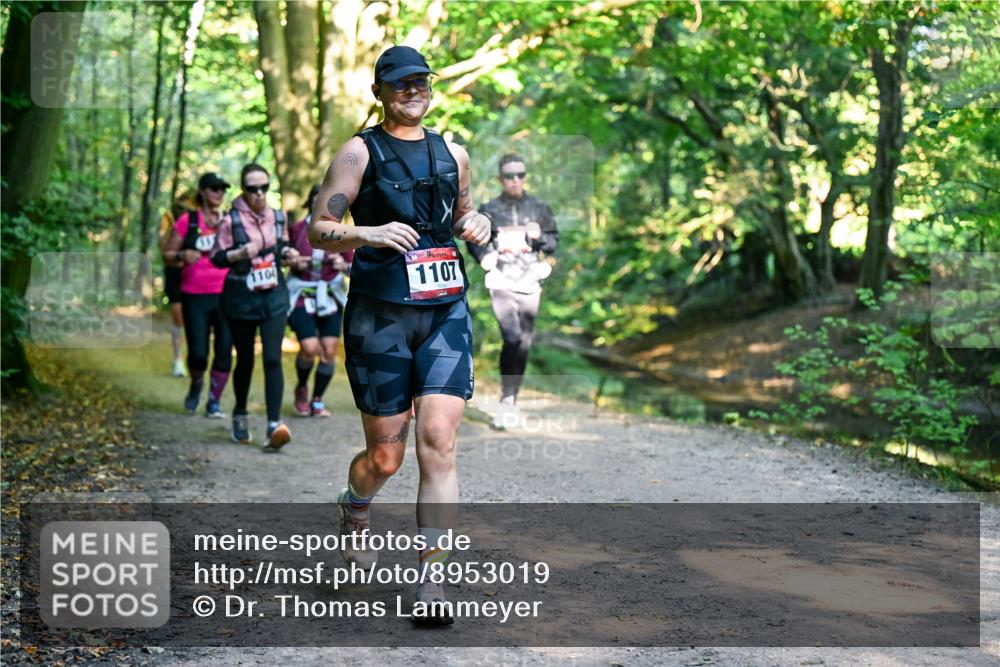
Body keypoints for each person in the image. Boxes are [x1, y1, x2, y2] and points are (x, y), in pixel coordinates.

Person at [308, 45, 490, 625]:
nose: (414, 90)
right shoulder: (360, 152)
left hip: (443, 311)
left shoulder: (452, 152)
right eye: (401, 83)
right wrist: (369, 232)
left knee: (438, 441)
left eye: (421, 82)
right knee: (385, 457)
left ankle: (432, 582)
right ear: (381, 92)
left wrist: (476, 223)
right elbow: (318, 229)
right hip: (380, 314)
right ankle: (355, 504)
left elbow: (461, 214)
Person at [211, 164, 300, 450]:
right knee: (246, 359)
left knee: (273, 358)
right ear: (243, 190)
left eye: (264, 187)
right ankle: (240, 412)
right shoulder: (231, 220)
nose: (259, 193)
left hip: (273, 294)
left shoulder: (278, 217)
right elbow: (216, 258)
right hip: (241, 296)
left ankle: (274, 424)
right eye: (253, 188)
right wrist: (238, 252)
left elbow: (282, 245)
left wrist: (288, 253)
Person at [466, 153, 558, 429]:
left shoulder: (539, 208)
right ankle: (506, 401)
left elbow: (553, 243)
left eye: (520, 174)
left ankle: (510, 401)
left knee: (525, 343)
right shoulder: (489, 209)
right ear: (500, 179)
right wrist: (484, 256)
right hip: (502, 280)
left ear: (526, 177)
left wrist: (539, 236)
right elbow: (474, 239)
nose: (515, 180)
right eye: (509, 175)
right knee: (512, 336)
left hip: (530, 280)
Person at [161, 173, 234, 418]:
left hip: (227, 295)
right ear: (202, 191)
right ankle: (196, 385)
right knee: (199, 352)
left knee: (224, 351)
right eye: (214, 189)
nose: (219, 194)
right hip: (195, 295)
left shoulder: (231, 221)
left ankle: (214, 401)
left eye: (222, 189)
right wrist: (182, 256)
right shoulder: (186, 221)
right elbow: (167, 254)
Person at [287, 185, 353, 418]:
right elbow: (282, 256)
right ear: (310, 202)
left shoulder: (342, 232)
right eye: (317, 200)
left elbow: (353, 268)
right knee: (309, 348)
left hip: (330, 297)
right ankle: (302, 387)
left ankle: (317, 399)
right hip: (301, 296)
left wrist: (341, 266)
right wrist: (294, 262)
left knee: (328, 351)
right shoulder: (295, 229)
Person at [159, 193, 197, 377]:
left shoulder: (202, 219)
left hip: (195, 273)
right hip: (175, 271)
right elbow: (162, 247)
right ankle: (177, 358)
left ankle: (195, 358)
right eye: (184, 207)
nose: (187, 211)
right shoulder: (168, 218)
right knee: (178, 316)